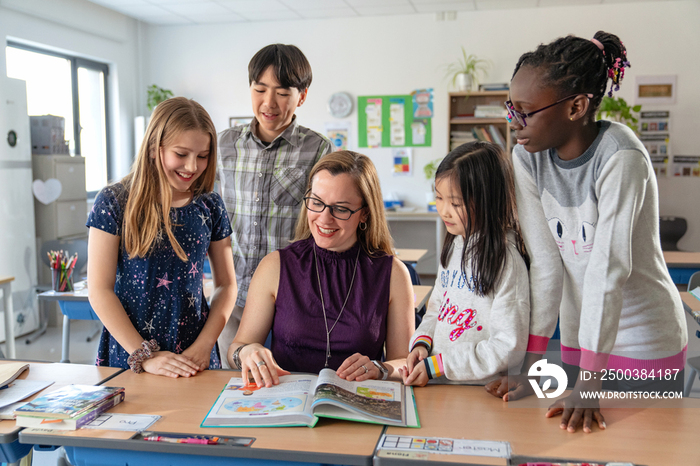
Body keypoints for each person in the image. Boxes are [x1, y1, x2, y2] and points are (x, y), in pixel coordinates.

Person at [485, 31, 688, 433]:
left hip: (646, 344)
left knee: (634, 453)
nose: (514, 123)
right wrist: (532, 366)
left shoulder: (620, 157)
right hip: (583, 342)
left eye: (525, 111)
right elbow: (546, 266)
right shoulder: (527, 159)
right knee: (571, 446)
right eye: (512, 109)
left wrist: (589, 384)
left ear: (576, 106)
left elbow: (607, 271)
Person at [227, 150, 415, 387]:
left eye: (341, 208)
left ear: (365, 213)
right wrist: (246, 353)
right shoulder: (275, 266)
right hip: (285, 402)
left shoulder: (393, 274)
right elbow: (237, 348)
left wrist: (381, 368)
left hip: (358, 405)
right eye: (317, 203)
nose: (324, 219)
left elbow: (405, 363)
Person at [87, 97, 237, 378]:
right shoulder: (114, 201)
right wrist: (144, 355)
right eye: (181, 154)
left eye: (202, 156)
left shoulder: (211, 205)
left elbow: (227, 285)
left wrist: (205, 345)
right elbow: (99, 290)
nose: (192, 166)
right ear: (155, 148)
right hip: (130, 354)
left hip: (195, 356)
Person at [216, 44, 332, 367]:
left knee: (286, 379)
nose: (269, 102)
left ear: (302, 96)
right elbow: (210, 214)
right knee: (234, 380)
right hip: (233, 293)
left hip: (291, 295)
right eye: (260, 89)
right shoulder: (224, 144)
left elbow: (322, 220)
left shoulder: (317, 148)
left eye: (282, 92)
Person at [399, 142, 530, 387]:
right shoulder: (455, 245)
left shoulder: (506, 261)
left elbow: (507, 346)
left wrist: (438, 365)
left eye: (456, 204)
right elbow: (436, 308)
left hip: (480, 390)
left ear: (488, 201)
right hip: (440, 381)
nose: (444, 211)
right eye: (439, 198)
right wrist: (421, 342)